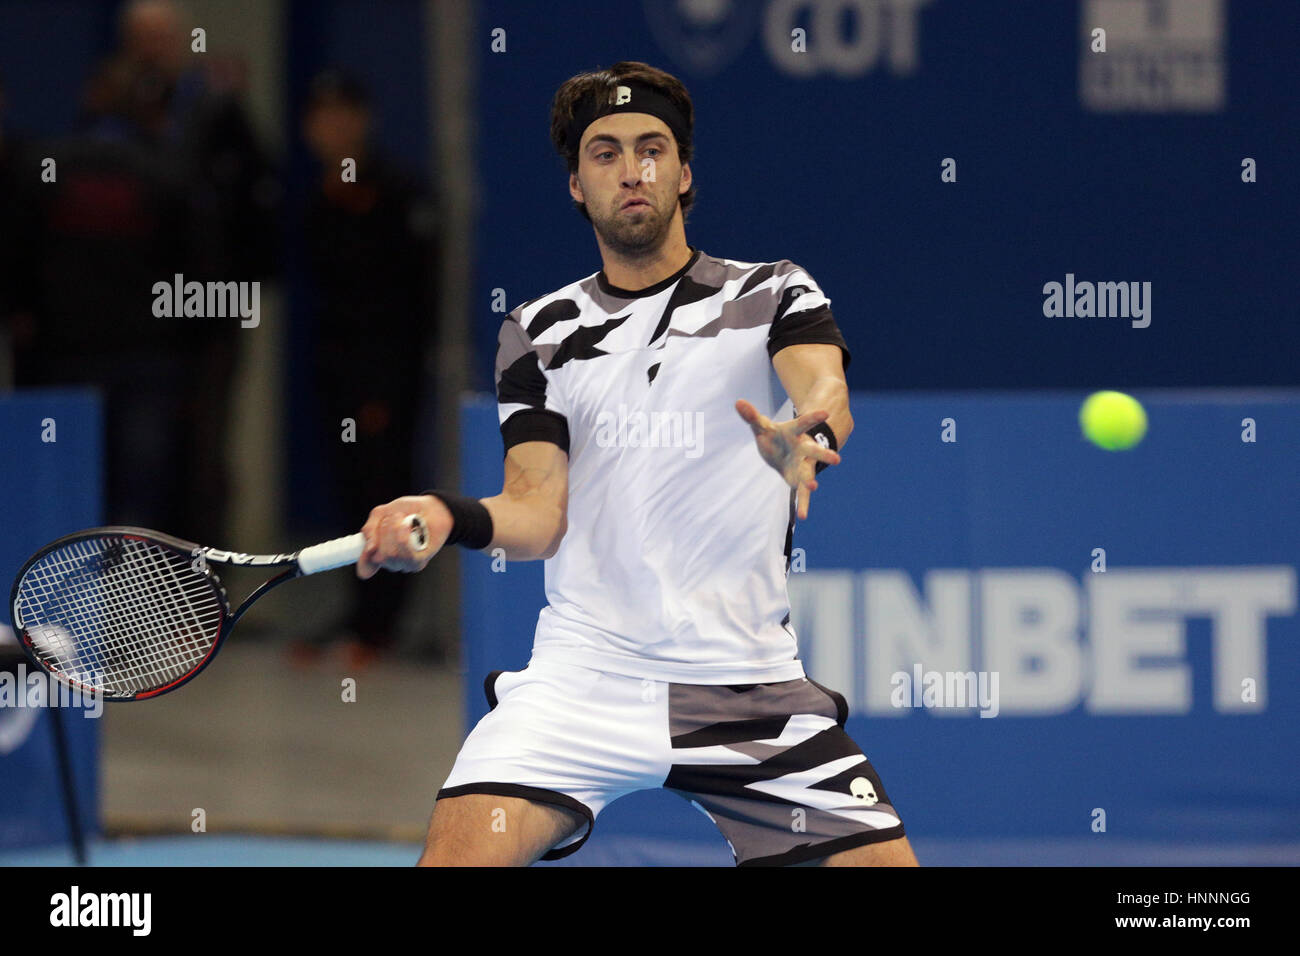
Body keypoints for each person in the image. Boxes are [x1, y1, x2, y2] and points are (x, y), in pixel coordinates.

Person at [359, 61, 918, 867]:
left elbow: (823, 385)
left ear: (684, 174)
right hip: (581, 684)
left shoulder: (772, 292)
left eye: (653, 148)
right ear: (577, 186)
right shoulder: (539, 330)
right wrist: (448, 517)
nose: (633, 170)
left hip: (748, 687)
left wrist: (808, 430)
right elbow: (537, 514)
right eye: (606, 152)